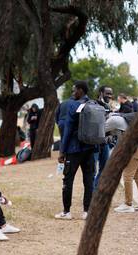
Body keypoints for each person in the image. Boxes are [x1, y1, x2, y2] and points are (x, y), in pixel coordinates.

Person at [55, 81, 96, 220]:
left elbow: (67, 130)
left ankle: (67, 212)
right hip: (90, 148)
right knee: (89, 180)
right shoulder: (93, 104)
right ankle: (87, 211)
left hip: (74, 149)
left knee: (68, 179)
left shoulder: (73, 105)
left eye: (75, 90)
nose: (73, 92)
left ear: (80, 90)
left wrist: (62, 151)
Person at [105, 115, 138, 213]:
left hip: (137, 146)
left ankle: (128, 204)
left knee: (127, 175)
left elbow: (100, 131)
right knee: (137, 174)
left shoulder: (111, 120)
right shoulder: (122, 118)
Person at [94, 85, 113, 189]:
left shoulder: (108, 107)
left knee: (104, 169)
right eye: (107, 93)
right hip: (95, 143)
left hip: (105, 143)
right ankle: (91, 193)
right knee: (93, 170)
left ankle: (96, 190)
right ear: (101, 93)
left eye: (111, 94)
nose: (109, 96)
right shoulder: (94, 104)